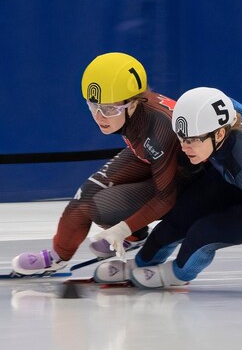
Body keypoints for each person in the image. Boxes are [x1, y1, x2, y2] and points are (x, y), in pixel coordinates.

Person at [92, 87, 242, 301]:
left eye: (193, 140)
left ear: (218, 134)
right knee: (179, 217)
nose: (185, 147)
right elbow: (235, 105)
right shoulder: (221, 113)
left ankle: (175, 274)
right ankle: (141, 262)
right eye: (182, 138)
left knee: (203, 234)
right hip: (231, 173)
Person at [12, 52, 198, 275]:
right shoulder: (134, 111)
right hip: (151, 157)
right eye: (93, 106)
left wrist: (122, 228)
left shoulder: (158, 131)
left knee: (101, 207)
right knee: (87, 193)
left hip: (185, 182)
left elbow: (166, 196)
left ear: (133, 103)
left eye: (109, 109)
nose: (100, 116)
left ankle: (132, 233)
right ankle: (56, 257)